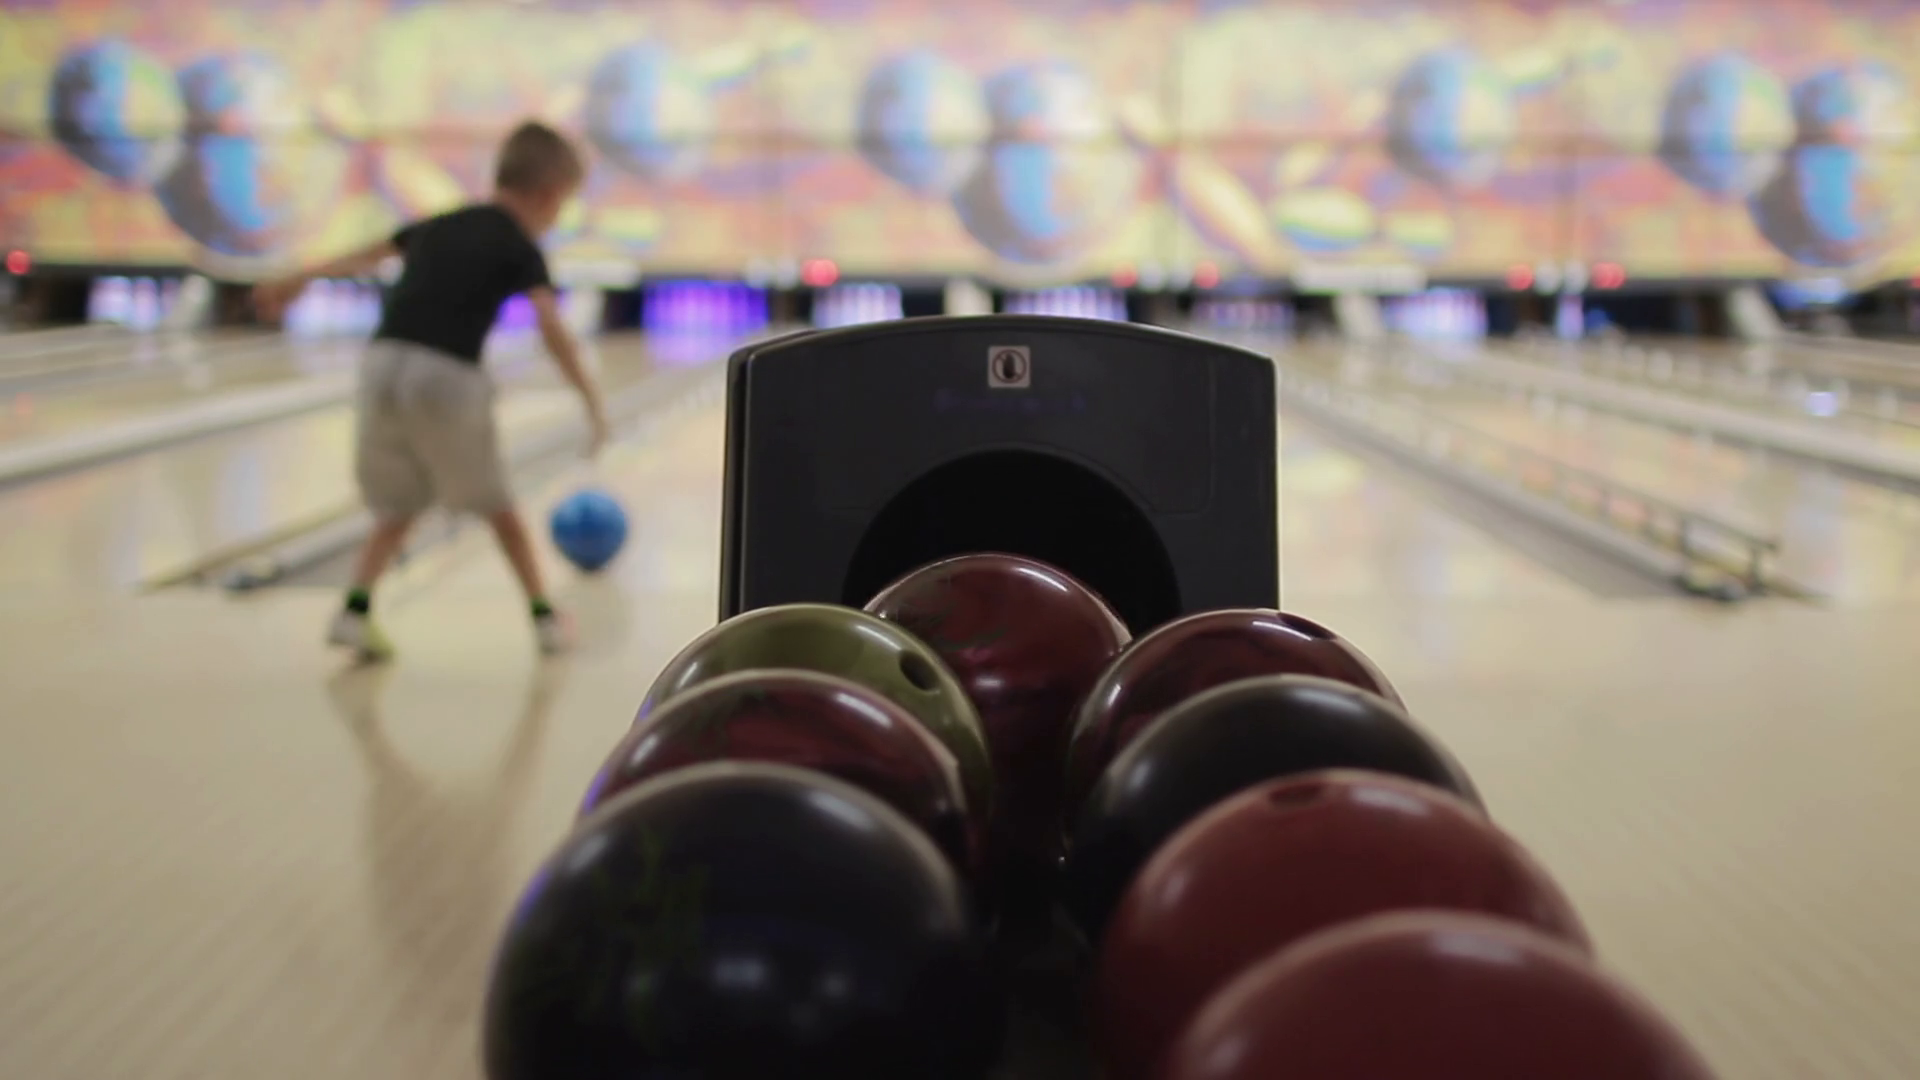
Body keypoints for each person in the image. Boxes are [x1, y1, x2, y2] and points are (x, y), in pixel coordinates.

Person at [254, 120, 609, 661]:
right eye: (562, 205)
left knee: (399, 505)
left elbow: (368, 253)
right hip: (445, 374)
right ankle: (546, 620)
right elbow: (550, 324)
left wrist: (295, 278)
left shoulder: (443, 223)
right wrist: (590, 398)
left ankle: (354, 612)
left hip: (381, 365)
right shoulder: (519, 243)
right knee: (499, 506)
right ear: (548, 194)